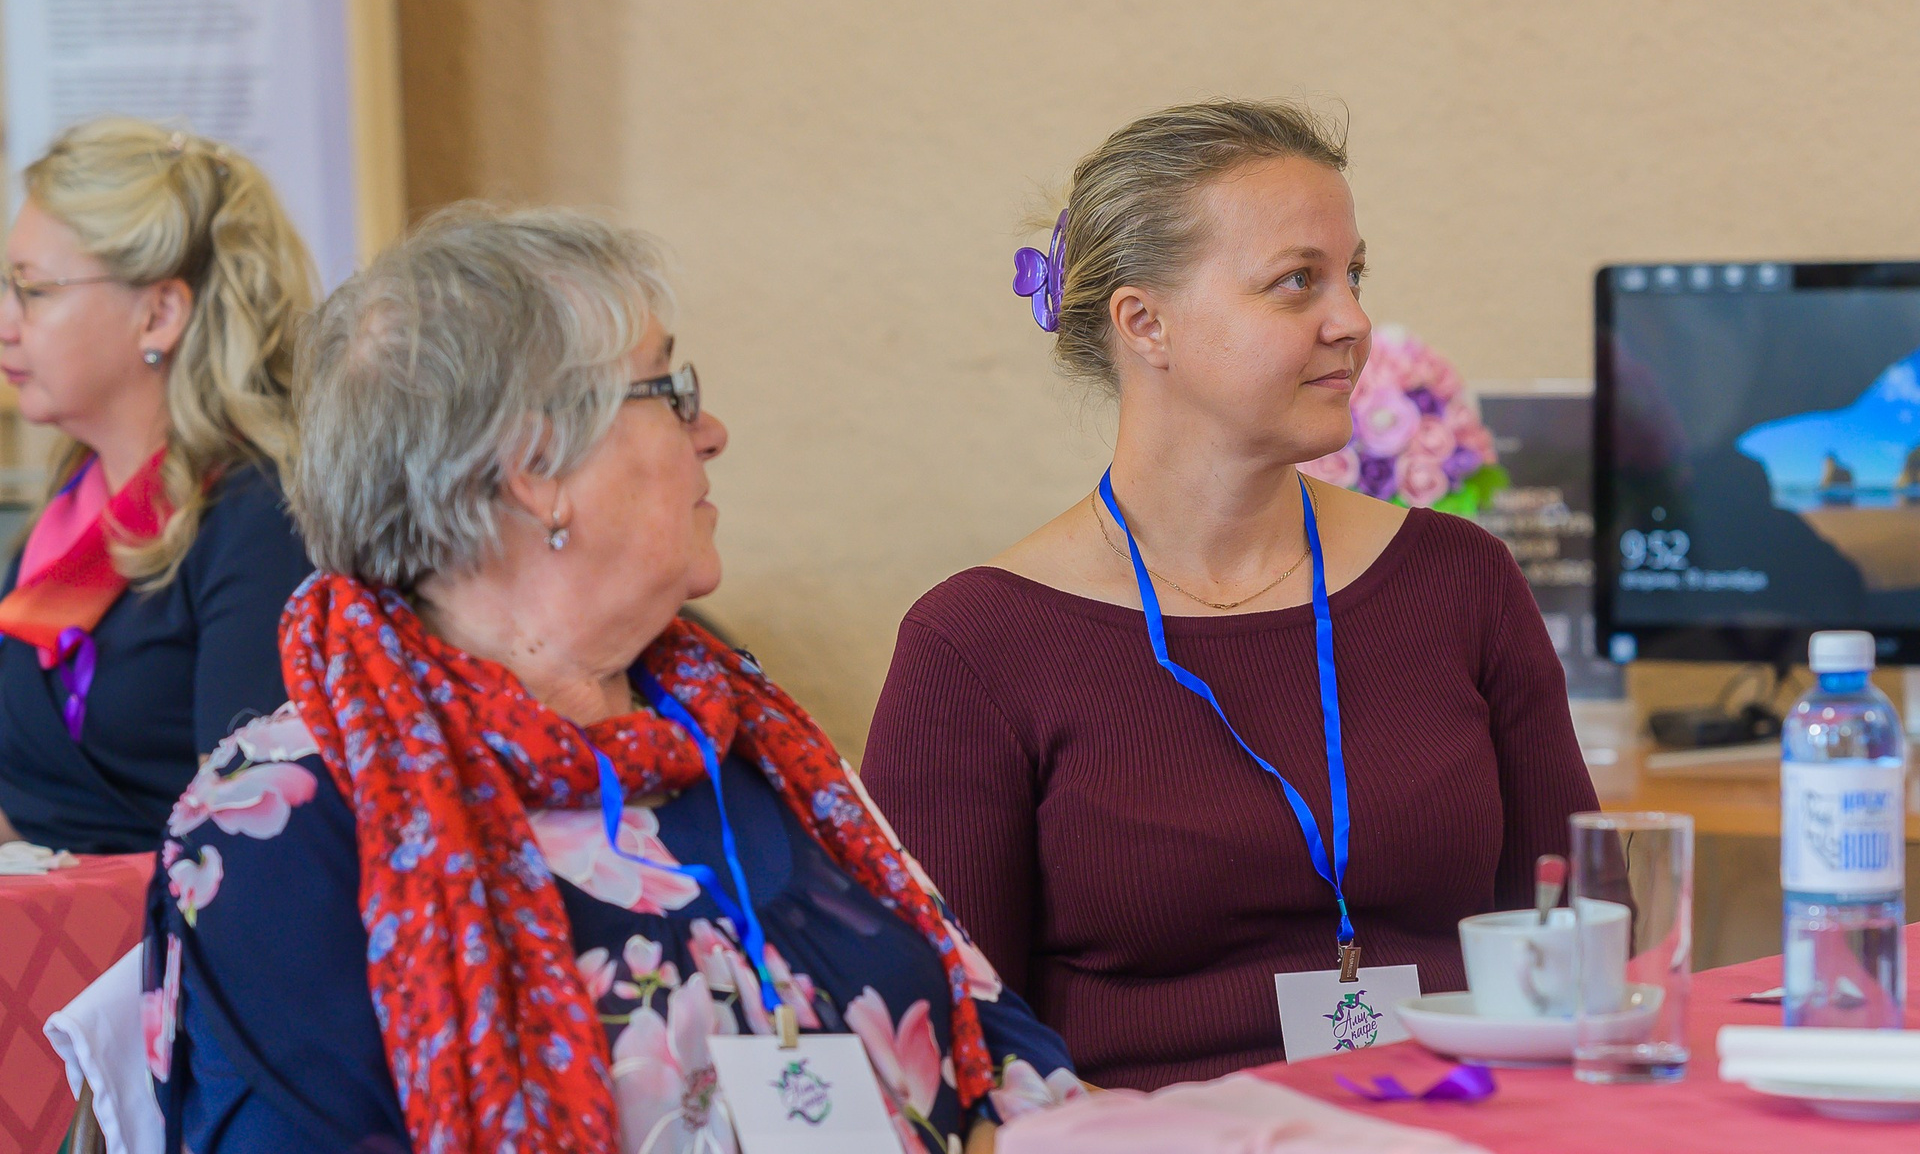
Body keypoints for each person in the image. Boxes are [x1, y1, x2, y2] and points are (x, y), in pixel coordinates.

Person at [143, 206, 1081, 1154]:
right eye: (671, 392)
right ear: (534, 470)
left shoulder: (742, 735)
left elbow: (997, 1050)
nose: (711, 432)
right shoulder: (283, 823)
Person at [861, 101, 1599, 1089]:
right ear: (1145, 323)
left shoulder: (1459, 579)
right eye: (1298, 281)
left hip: (1460, 1118)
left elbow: (1581, 930)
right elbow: (950, 1051)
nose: (1353, 320)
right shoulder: (976, 646)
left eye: (1353, 275)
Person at [0, 119, 313, 854]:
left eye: (34, 290)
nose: (7, 322)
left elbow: (243, 843)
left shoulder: (260, 519)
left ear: (160, 314)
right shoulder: (70, 504)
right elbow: (30, 799)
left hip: (155, 925)